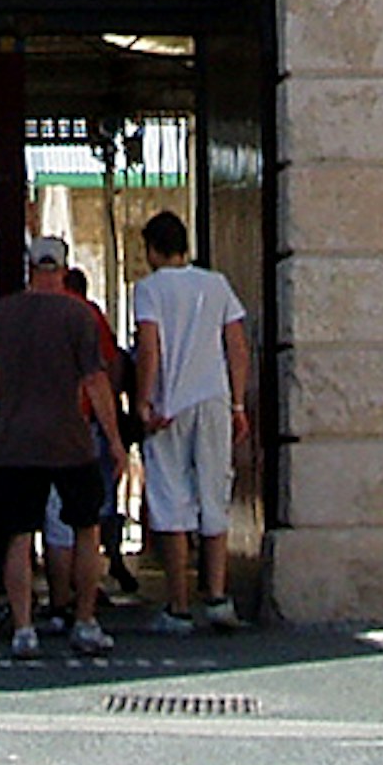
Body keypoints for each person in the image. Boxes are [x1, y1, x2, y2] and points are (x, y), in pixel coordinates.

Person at [0, 232, 123, 657]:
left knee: (18, 536)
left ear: (31, 268)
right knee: (85, 528)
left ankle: (23, 628)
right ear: (65, 269)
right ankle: (85, 621)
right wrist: (114, 440)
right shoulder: (78, 316)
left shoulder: (2, 315)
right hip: (70, 441)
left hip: (14, 442)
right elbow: (95, 381)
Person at [129, 209, 251, 632]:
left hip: (169, 404)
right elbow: (236, 344)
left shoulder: (148, 290)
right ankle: (218, 596)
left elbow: (149, 347)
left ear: (153, 249)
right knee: (214, 493)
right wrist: (238, 404)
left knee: (170, 501)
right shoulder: (216, 285)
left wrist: (144, 401)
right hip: (213, 400)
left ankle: (178, 605)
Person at [62, 262, 139, 597]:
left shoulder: (37, 312)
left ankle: (63, 591)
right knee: (95, 505)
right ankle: (94, 582)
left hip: (51, 423)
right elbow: (109, 368)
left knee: (54, 516)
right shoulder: (90, 315)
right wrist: (116, 430)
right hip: (89, 420)